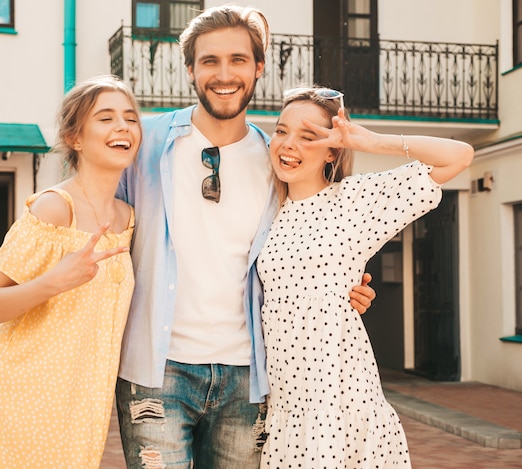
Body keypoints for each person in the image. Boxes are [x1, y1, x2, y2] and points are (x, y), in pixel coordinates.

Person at [114, 5, 376, 468]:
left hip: (250, 378)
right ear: (191, 68)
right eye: (209, 61)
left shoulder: (280, 159)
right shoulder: (144, 143)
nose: (224, 74)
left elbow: (309, 241)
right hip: (156, 374)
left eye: (237, 60)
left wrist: (341, 285)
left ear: (258, 67)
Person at [257, 85, 474, 468]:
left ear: (332, 150)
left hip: (340, 399)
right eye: (281, 130)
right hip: (285, 404)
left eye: (309, 136)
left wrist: (372, 141)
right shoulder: (264, 210)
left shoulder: (355, 200)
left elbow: (459, 156)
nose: (289, 145)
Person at [0, 75, 141, 468]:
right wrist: (53, 282)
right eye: (105, 118)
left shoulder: (127, 218)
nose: (122, 126)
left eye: (130, 118)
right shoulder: (55, 208)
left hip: (78, 410)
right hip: (16, 402)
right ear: (75, 137)